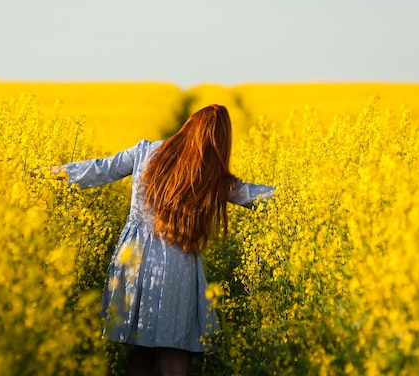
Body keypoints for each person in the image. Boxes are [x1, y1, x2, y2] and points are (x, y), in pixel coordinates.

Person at [50, 104, 275, 376]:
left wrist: (49, 172)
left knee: (138, 351)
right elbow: (254, 195)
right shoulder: (211, 173)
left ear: (188, 127)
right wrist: (303, 195)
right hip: (176, 262)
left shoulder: (146, 150)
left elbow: (100, 169)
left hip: (133, 256)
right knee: (173, 352)